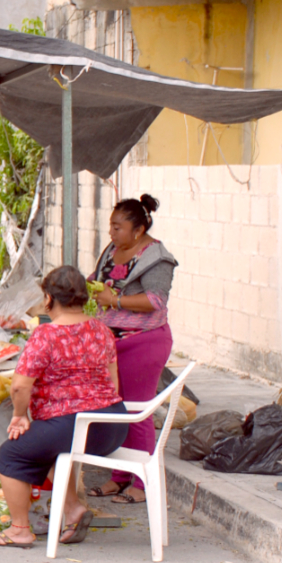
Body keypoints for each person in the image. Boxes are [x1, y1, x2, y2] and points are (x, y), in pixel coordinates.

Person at [0, 266, 130, 549]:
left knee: (12, 454)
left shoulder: (46, 334)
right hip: (113, 426)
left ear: (49, 299)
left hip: (71, 425)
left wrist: (19, 416)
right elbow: (113, 384)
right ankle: (73, 509)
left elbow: (19, 386)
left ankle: (19, 530)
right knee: (54, 447)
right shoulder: (102, 330)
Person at [84, 195, 179, 506]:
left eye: (117, 227)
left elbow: (155, 301)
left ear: (138, 230)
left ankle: (142, 482)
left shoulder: (157, 258)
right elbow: (100, 280)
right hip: (112, 343)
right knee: (114, 410)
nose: (111, 233)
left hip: (145, 342)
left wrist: (115, 301)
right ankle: (118, 477)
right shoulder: (113, 250)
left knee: (137, 411)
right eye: (110, 226)